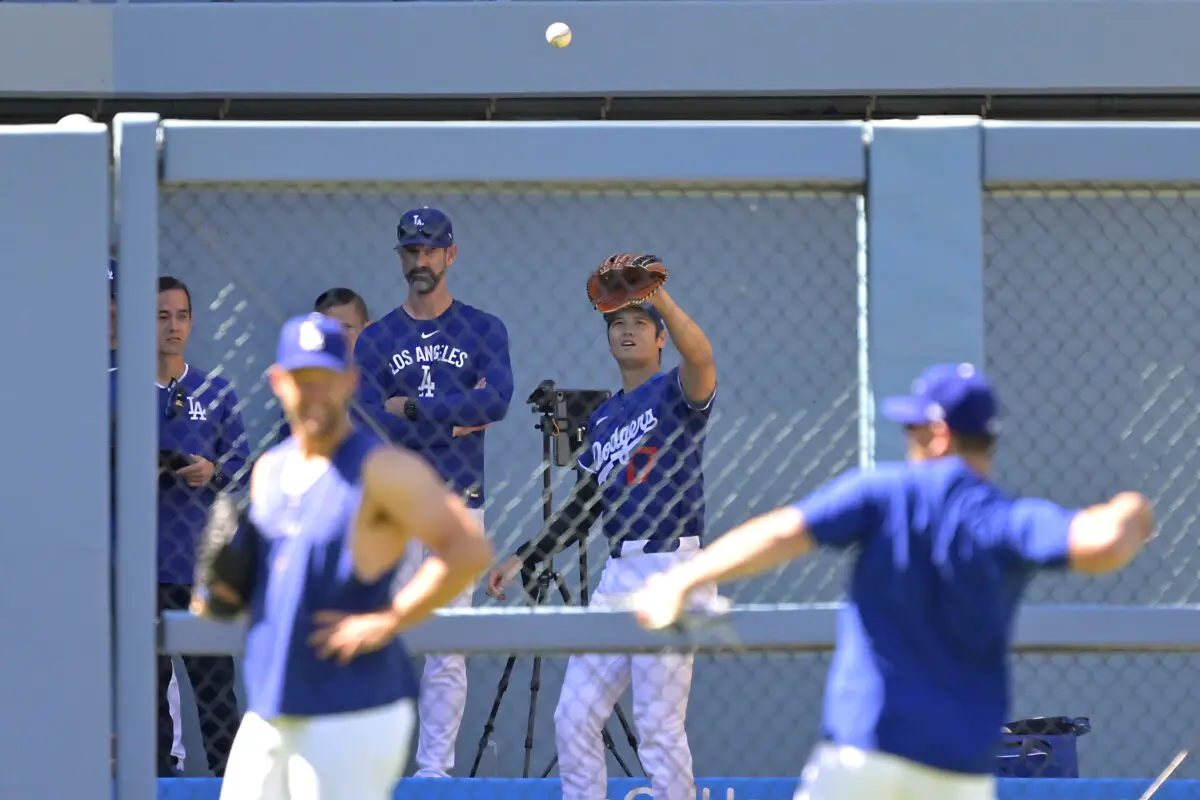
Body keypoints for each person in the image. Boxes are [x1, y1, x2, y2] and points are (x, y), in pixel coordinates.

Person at [631, 362, 1156, 800]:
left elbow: (781, 533)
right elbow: (1105, 544)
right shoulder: (1007, 517)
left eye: (912, 430)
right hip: (959, 769)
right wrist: (1131, 509)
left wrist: (681, 581)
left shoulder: (883, 491)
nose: (907, 441)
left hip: (865, 753)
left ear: (939, 434)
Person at [211, 312, 493, 800]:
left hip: (352, 711)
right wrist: (218, 593)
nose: (315, 392)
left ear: (350, 381)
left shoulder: (382, 468)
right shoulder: (269, 472)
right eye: (302, 379)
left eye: (326, 378)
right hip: (272, 706)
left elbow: (467, 546)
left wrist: (389, 619)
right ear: (279, 382)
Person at [487, 275, 717, 800]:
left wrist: (658, 298)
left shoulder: (675, 389)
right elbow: (584, 508)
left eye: (641, 324)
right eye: (619, 325)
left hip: (671, 568)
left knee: (657, 729)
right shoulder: (605, 418)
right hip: (619, 574)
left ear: (660, 338)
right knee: (573, 715)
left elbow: (702, 360)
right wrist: (526, 555)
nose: (628, 332)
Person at [354, 206, 514, 778]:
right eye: (410, 250)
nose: (420, 260)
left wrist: (418, 409)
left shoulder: (483, 328)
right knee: (389, 638)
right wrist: (453, 417)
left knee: (447, 648)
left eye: (430, 249)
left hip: (455, 506)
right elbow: (368, 420)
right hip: (395, 510)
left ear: (451, 253)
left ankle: (434, 772)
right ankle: (385, 765)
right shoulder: (375, 339)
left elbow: (496, 401)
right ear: (400, 256)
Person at [155, 275, 248, 777]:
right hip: (142, 568)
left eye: (182, 315)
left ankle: (231, 782)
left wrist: (212, 470)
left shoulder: (215, 391)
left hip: (202, 568)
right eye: (162, 315)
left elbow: (241, 463)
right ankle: (156, 782)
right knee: (149, 700)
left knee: (216, 694)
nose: (173, 326)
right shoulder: (118, 387)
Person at [276, 287, 371, 443]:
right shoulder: (303, 381)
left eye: (347, 327)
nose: (339, 335)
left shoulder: (381, 376)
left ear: (366, 330)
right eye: (329, 328)